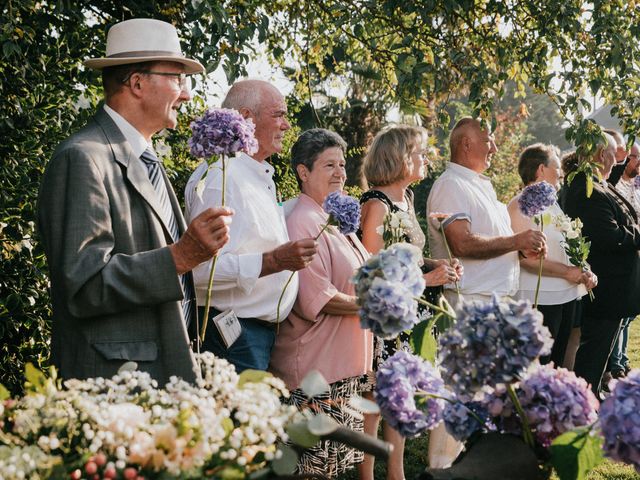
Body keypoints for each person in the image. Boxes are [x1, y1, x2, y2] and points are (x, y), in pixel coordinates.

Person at [37, 19, 232, 384]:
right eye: (177, 78)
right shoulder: (82, 158)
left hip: (160, 373)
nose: (187, 94)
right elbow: (84, 286)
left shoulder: (145, 157)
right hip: (113, 384)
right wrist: (180, 256)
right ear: (138, 83)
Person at [185, 80, 318, 373]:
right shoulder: (221, 178)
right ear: (246, 117)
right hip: (231, 338)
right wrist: (273, 261)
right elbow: (199, 270)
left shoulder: (256, 176)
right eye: (278, 115)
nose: (286, 125)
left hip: (260, 336)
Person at [357, 124, 462, 480]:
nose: (426, 159)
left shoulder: (407, 199)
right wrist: (427, 280)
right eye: (420, 153)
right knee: (376, 397)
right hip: (383, 319)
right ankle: (367, 474)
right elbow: (372, 273)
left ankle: (396, 472)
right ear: (399, 157)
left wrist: (438, 265)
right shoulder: (376, 204)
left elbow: (408, 257)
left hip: (408, 316)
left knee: (399, 393)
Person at [269, 129, 374, 478]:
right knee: (311, 471)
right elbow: (318, 297)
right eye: (329, 165)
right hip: (316, 373)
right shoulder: (302, 221)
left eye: (342, 164)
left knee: (330, 470)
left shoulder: (334, 221)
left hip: (343, 369)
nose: (340, 173)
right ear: (303, 171)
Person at [426, 117, 546, 307]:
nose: (494, 149)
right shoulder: (451, 184)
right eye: (488, 141)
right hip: (470, 302)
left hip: (494, 300)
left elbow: (493, 240)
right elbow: (461, 244)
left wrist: (521, 250)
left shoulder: (476, 185)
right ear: (466, 144)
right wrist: (516, 241)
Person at [561, 132, 640, 398]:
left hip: (616, 287)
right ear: (598, 155)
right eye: (610, 154)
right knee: (593, 356)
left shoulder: (599, 184)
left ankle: (591, 397)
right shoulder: (587, 189)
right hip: (606, 287)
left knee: (601, 353)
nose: (615, 160)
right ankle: (585, 403)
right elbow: (609, 237)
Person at [507, 144, 597, 366]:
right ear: (541, 169)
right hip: (540, 298)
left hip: (564, 296)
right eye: (557, 167)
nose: (561, 173)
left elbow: (565, 244)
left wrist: (584, 271)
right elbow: (525, 258)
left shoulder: (552, 204)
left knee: (557, 363)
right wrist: (567, 272)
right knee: (539, 364)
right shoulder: (520, 205)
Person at [605, 142, 640, 380]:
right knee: (621, 315)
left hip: (635, 254)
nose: (638, 161)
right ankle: (615, 363)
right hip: (622, 255)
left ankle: (621, 358)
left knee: (629, 315)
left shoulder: (636, 186)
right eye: (634, 157)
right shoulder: (614, 186)